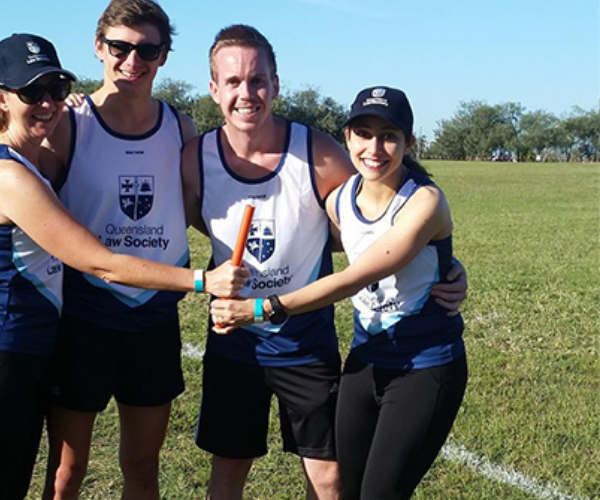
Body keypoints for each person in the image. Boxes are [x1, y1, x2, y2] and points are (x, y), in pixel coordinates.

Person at [0, 32, 247, 500]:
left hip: (44, 349)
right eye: (31, 93)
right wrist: (203, 280)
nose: (46, 103)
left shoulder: (34, 157)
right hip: (13, 348)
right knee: (27, 482)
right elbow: (95, 261)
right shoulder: (15, 165)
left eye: (55, 89)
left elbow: (23, 230)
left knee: (26, 482)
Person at [181, 26, 467, 500]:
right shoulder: (195, 158)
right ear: (214, 89)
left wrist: (448, 269)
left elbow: (368, 249)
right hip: (238, 349)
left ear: (276, 84)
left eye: (257, 80)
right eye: (232, 82)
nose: (246, 93)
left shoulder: (321, 154)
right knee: (228, 471)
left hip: (308, 347)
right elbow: (195, 221)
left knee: (331, 480)